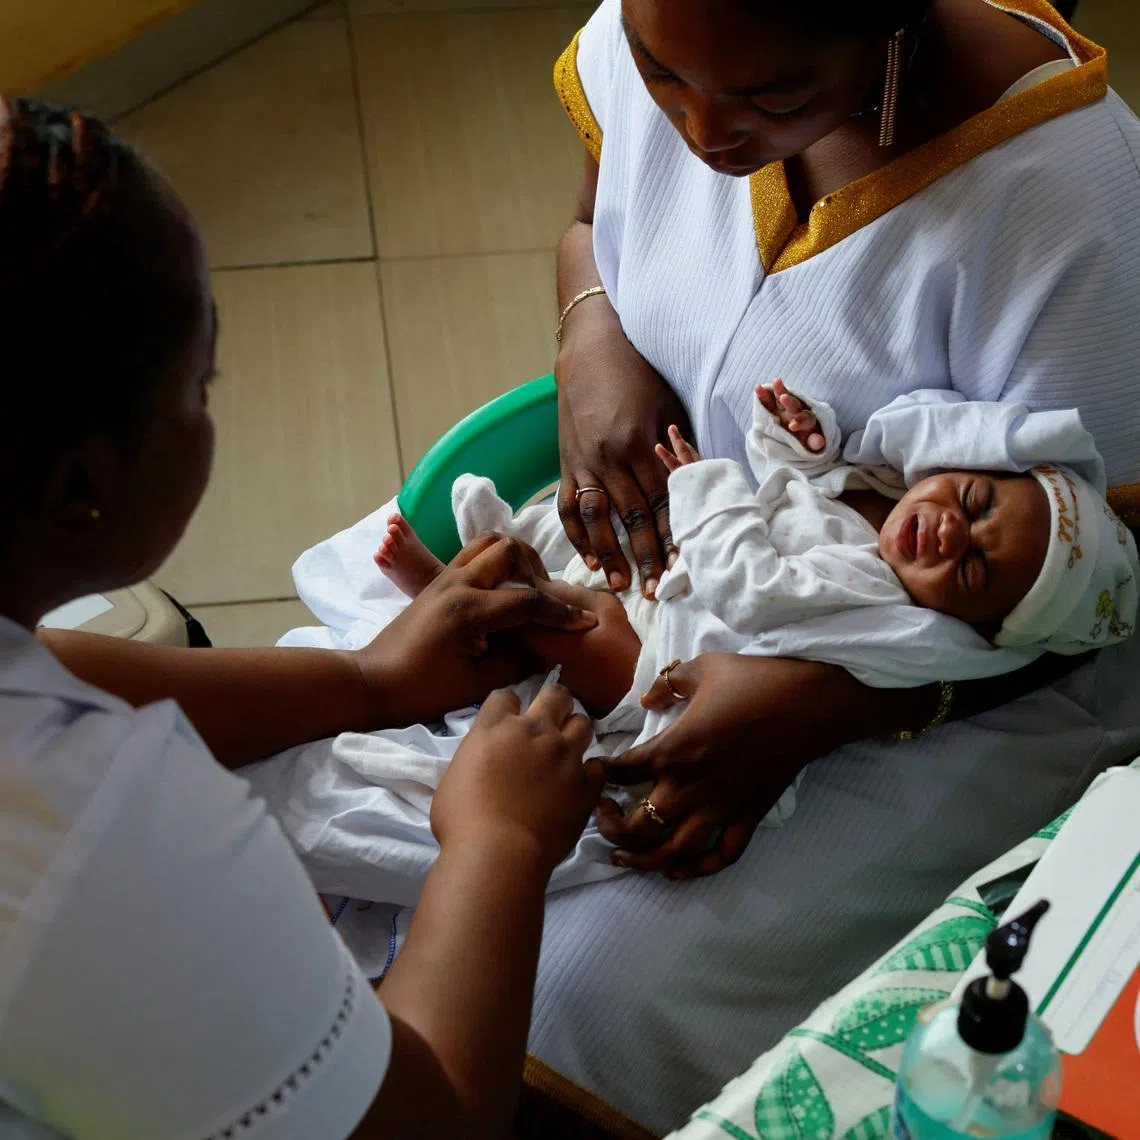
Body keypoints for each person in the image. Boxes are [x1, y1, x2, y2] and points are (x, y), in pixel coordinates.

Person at [529, 0, 1140, 1128]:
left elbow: (1107, 581)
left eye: (769, 100)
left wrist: (825, 706)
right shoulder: (671, 30)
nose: (702, 135)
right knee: (410, 773)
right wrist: (591, 333)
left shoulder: (1066, 203)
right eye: (664, 76)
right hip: (697, 547)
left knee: (569, 988)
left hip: (960, 680)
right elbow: (589, 219)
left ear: (893, 29)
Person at [0, 96, 613, 1139]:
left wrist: (366, 683)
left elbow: (40, 666)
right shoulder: (83, 845)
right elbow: (431, 1123)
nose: (209, 410)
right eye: (201, 387)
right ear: (79, 490)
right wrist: (497, 844)